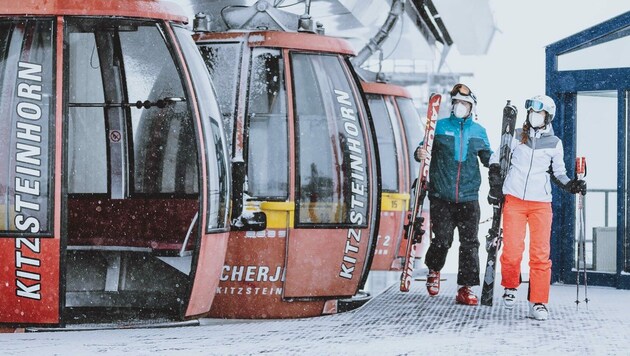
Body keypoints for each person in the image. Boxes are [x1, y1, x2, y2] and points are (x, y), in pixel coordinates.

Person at [487, 94, 586, 320]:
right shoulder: (516, 135)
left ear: (547, 117)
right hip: (514, 200)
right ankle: (510, 286)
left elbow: (558, 173)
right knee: (512, 250)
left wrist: (572, 185)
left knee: (540, 254)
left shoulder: (554, 143)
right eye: (531, 112)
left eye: (539, 113)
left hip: (541, 203)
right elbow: (496, 158)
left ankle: (538, 302)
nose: (534, 116)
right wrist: (495, 182)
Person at [415, 83, 492, 305]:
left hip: (469, 197)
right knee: (443, 239)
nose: (460, 107)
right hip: (441, 196)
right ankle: (434, 269)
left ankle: (465, 288)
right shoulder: (439, 127)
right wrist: (419, 153)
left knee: (470, 244)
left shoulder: (479, 131)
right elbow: (423, 149)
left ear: (472, 107)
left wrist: (500, 163)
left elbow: (489, 158)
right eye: (457, 103)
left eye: (465, 104)